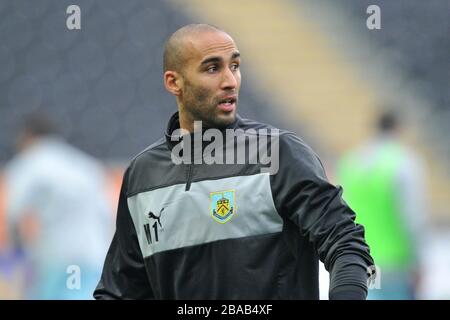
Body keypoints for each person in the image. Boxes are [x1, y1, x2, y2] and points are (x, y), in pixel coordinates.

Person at [94, 24, 374, 300]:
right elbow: (120, 291)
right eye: (212, 68)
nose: (230, 81)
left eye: (235, 66)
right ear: (173, 82)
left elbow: (346, 244)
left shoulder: (278, 153)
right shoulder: (143, 174)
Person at [4, 113, 113, 299]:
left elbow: (14, 212)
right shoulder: (85, 165)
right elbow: (107, 214)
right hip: (95, 253)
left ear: (27, 136)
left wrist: (16, 256)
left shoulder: (30, 163)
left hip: (59, 257)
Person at [336, 110, 427, 299]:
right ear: (398, 129)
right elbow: (413, 217)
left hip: (365, 259)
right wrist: (418, 260)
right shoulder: (404, 162)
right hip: (397, 262)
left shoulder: (351, 162)